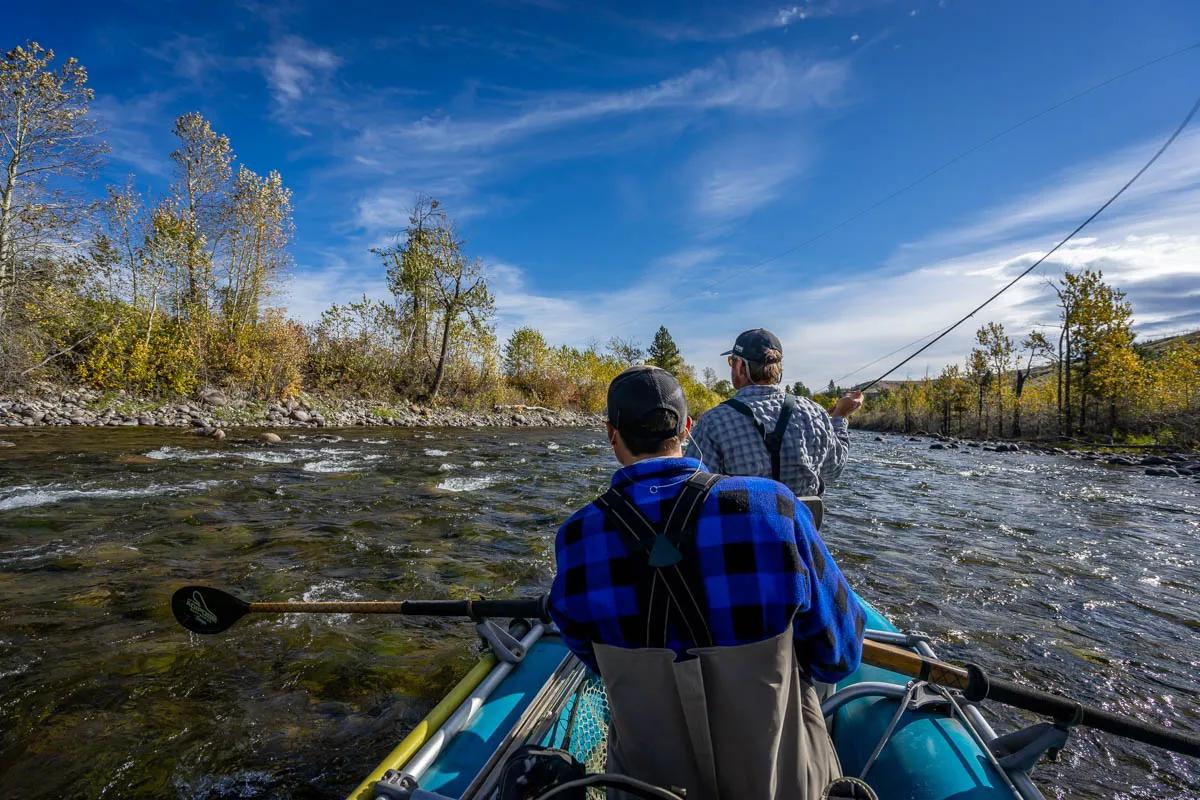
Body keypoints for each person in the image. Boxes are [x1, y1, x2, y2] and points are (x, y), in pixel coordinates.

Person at [548, 365, 866, 800]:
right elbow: (840, 657)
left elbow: (592, 658)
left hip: (644, 786)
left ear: (611, 434)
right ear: (687, 428)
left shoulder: (576, 536)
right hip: (780, 782)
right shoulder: (774, 507)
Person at [685, 328, 864, 498]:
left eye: (732, 361)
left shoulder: (714, 421)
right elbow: (833, 471)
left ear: (740, 366)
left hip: (743, 529)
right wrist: (840, 416)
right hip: (799, 529)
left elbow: (693, 489)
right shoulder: (814, 412)